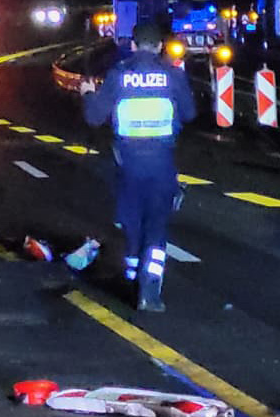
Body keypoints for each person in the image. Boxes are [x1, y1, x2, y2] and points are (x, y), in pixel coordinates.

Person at [80, 22, 197, 312]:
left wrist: (87, 94)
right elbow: (190, 113)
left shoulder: (118, 75)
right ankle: (150, 290)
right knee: (156, 226)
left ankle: (133, 278)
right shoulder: (172, 75)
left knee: (132, 224)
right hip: (161, 164)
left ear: (132, 45)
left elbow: (94, 117)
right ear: (159, 47)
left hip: (127, 165)